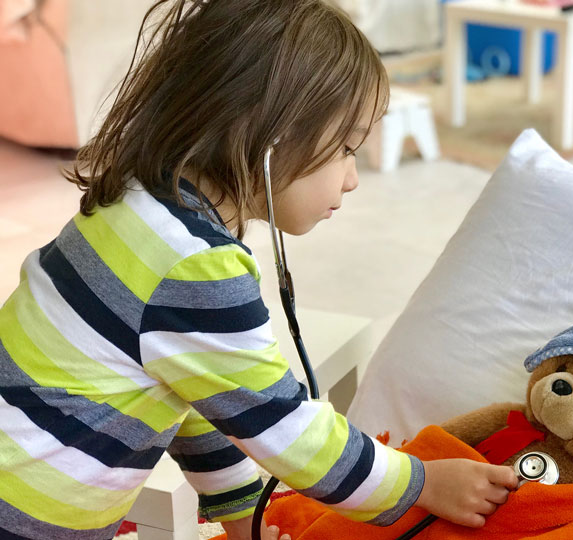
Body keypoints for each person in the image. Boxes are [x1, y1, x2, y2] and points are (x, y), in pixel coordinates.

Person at [0, 1, 519, 539]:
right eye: (346, 148)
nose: (352, 178)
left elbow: (206, 396)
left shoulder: (137, 208)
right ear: (269, 134)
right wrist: (421, 483)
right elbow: (290, 432)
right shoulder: (195, 267)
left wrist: (241, 518)